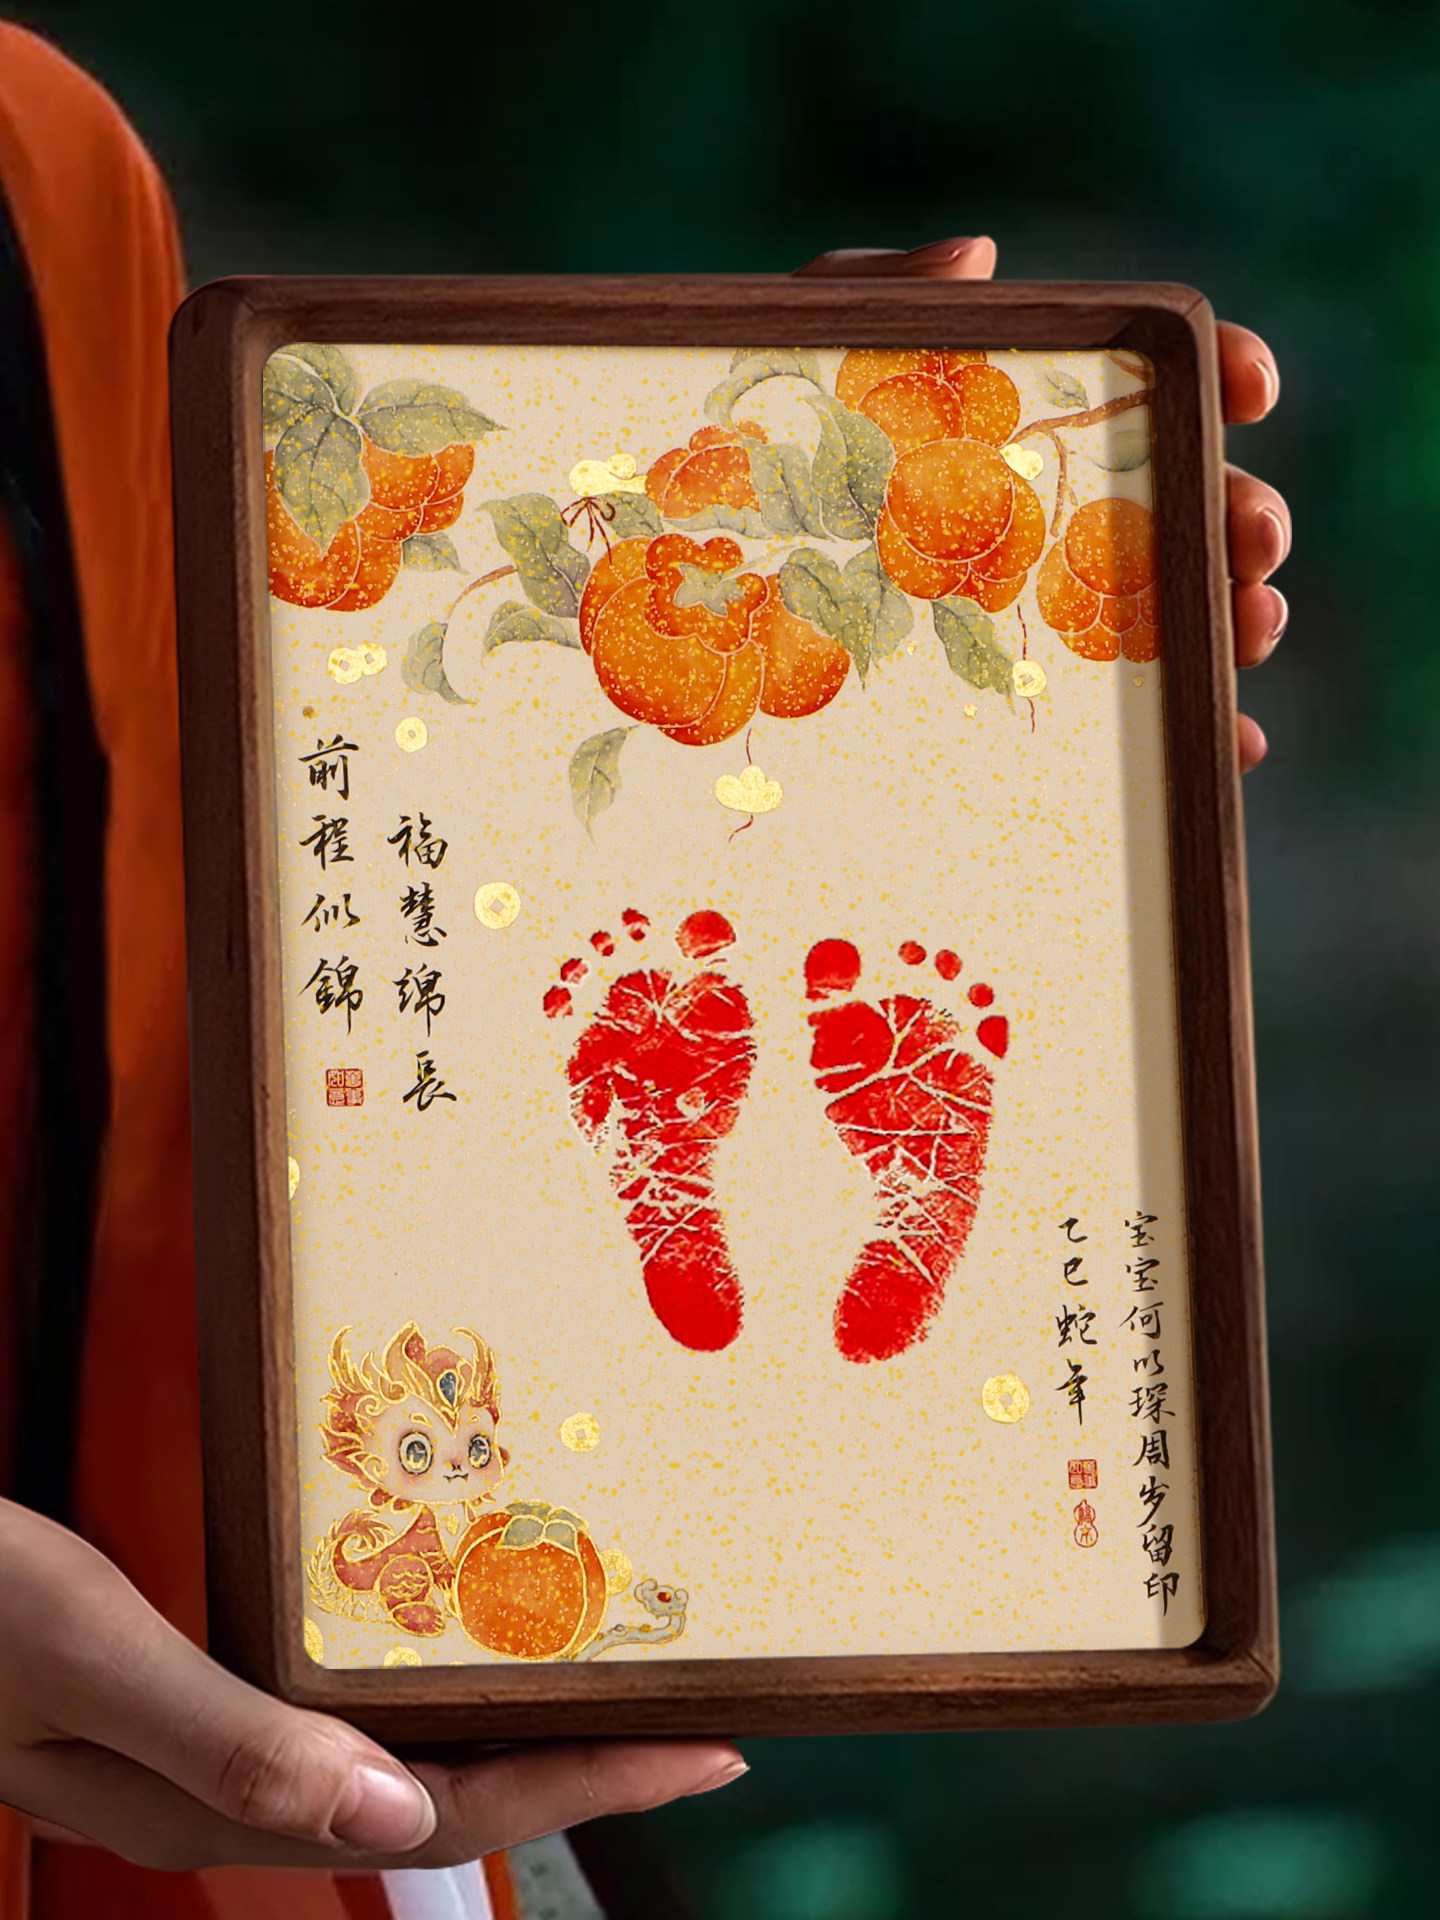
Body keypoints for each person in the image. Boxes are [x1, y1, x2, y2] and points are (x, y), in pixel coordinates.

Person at [0, 18, 1289, 1919]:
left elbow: (159, 961)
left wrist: (707, 461)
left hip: (213, 1614)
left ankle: (687, 1164)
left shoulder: (43, 169)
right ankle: (701, 1169)